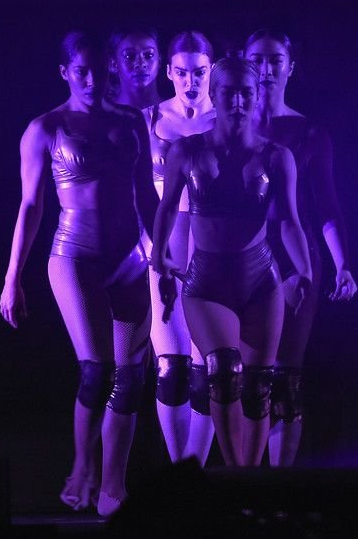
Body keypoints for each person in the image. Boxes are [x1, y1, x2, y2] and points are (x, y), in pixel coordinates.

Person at [0, 32, 158, 515]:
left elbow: (147, 196)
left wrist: (165, 254)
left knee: (131, 378)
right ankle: (82, 466)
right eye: (80, 71)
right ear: (65, 72)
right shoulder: (46, 128)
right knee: (97, 369)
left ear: (109, 68)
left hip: (130, 259)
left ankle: (113, 486)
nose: (91, 80)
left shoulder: (131, 120)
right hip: (74, 257)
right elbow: (30, 205)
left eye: (98, 69)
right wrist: (12, 277)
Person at [151, 57, 312, 467]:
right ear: (214, 94)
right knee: (223, 370)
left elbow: (290, 221)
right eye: (228, 93)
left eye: (246, 93)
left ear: (257, 96)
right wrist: (159, 258)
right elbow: (167, 208)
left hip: (259, 280)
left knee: (258, 386)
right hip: (206, 283)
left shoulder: (276, 157)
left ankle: (249, 481)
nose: (238, 102)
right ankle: (236, 474)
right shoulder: (187, 151)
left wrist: (305, 271)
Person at [245, 29, 358, 467]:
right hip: (241, 254)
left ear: (290, 67)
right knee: (245, 374)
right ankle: (245, 476)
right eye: (257, 60)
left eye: (275, 60)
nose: (266, 69)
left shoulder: (309, 132)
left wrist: (342, 264)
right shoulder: (229, 128)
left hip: (295, 257)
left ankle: (281, 481)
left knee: (286, 374)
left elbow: (327, 205)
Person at [143, 31, 217, 465]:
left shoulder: (224, 119)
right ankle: (179, 473)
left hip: (209, 248)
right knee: (170, 368)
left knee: (207, 368)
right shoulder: (149, 118)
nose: (191, 81)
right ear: (169, 72)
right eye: (183, 72)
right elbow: (132, 191)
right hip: (165, 247)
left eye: (200, 72)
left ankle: (197, 472)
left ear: (212, 71)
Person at [108, 28, 163, 110]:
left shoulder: (179, 114)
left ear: (159, 61)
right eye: (129, 56)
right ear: (113, 64)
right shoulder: (102, 115)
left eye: (149, 55)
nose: (140, 64)